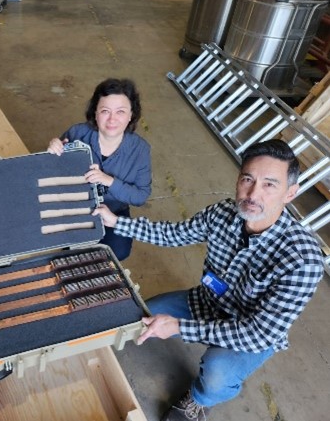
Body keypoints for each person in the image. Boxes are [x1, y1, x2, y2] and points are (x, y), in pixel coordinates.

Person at [93, 139, 324, 421]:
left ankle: (199, 400)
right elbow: (173, 234)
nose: (253, 194)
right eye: (247, 179)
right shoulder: (222, 213)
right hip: (207, 302)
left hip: (249, 329)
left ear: (290, 193)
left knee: (216, 374)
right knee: (144, 314)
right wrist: (116, 222)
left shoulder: (303, 259)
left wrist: (179, 327)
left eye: (269, 185)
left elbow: (258, 333)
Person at [47, 78, 152, 260]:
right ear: (95, 112)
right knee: (70, 249)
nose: (112, 119)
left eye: (120, 112)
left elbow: (141, 196)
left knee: (117, 252)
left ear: (131, 116)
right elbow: (52, 173)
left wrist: (109, 181)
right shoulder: (77, 134)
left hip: (114, 211)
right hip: (77, 204)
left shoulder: (140, 150)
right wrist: (52, 150)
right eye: (105, 111)